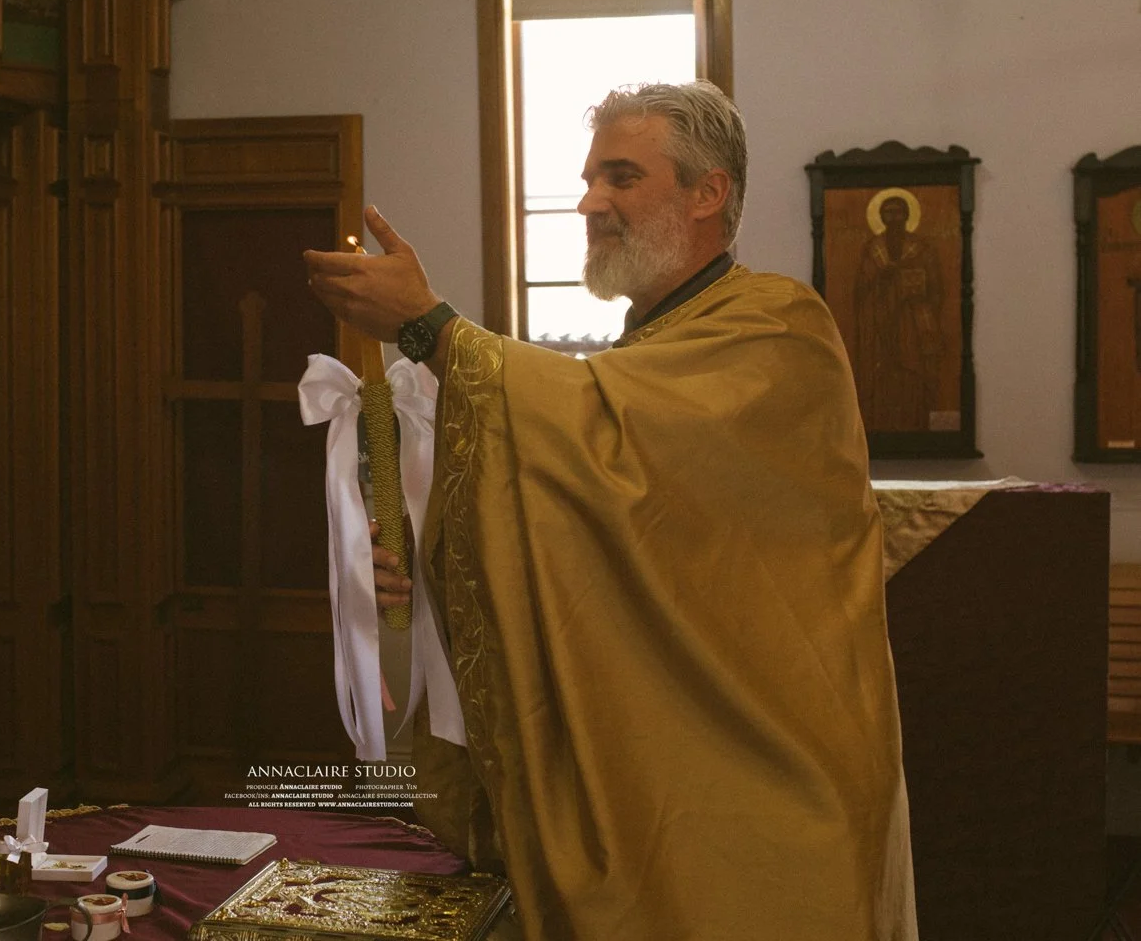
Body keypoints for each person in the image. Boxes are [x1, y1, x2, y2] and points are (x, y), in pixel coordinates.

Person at [304, 81, 916, 939]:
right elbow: (598, 510)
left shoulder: (778, 327)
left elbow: (601, 428)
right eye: (591, 179)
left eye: (622, 178)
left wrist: (428, 326)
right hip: (679, 762)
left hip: (768, 771)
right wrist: (432, 555)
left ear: (710, 192)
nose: (590, 202)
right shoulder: (648, 349)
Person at [853, 189, 945, 431]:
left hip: (913, 323)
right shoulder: (873, 249)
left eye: (898, 213)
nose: (893, 218)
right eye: (887, 213)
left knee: (914, 373)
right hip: (881, 322)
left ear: (907, 216)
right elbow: (861, 289)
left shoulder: (921, 249)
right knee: (883, 375)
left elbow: (936, 288)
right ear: (881, 218)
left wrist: (915, 294)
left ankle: (917, 423)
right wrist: (881, 278)